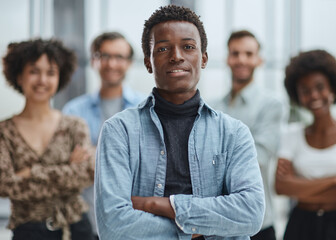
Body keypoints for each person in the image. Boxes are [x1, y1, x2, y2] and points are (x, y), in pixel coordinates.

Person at [95, 5, 265, 240]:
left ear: (203, 58)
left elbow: (251, 214)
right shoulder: (119, 131)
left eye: (188, 47)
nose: (176, 56)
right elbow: (112, 226)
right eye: (163, 48)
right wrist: (194, 231)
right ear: (148, 62)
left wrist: (156, 205)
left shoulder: (234, 133)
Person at [0, 39, 95, 240]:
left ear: (59, 77)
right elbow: (5, 185)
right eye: (34, 71)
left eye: (51, 73)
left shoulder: (74, 126)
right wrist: (67, 171)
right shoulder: (4, 131)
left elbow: (86, 174)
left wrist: (31, 173)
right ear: (19, 76)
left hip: (77, 228)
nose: (42, 80)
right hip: (27, 231)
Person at [62, 31, 145, 238]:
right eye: (104, 56)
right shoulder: (73, 111)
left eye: (119, 57)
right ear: (93, 60)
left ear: (129, 63)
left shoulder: (145, 108)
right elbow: (66, 168)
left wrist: (92, 154)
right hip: (86, 223)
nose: (111, 64)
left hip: (135, 223)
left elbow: (147, 163)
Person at [275, 49, 336, 240]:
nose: (313, 95)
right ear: (298, 95)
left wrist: (300, 187)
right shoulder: (291, 133)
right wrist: (335, 181)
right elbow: (281, 187)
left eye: (320, 87)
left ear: (332, 88)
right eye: (305, 90)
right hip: (299, 225)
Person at [213, 30, 285, 240]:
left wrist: (213, 158)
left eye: (248, 53)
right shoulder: (213, 107)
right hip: (218, 222)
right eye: (235, 53)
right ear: (227, 58)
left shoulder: (272, 105)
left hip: (258, 223)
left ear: (259, 59)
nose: (241, 59)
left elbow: (258, 158)